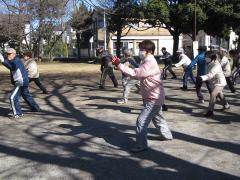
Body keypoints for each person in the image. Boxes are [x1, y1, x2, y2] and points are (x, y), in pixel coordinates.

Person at [112, 40, 173, 153]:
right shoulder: (146, 60)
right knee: (158, 118)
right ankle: (167, 135)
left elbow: (136, 73)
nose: (139, 51)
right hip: (152, 96)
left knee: (141, 121)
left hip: (153, 98)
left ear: (148, 51)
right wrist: (121, 66)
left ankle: (141, 145)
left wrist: (119, 64)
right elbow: (139, 75)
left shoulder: (149, 62)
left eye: (141, 49)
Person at [0, 48, 40, 119]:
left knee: (12, 97)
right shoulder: (13, 60)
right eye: (7, 54)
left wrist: (3, 61)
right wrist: (3, 59)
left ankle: (18, 114)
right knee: (26, 95)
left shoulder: (16, 60)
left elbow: (12, 66)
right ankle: (35, 108)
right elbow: (9, 63)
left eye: (9, 54)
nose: (8, 55)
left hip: (21, 82)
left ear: (14, 54)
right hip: (23, 81)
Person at [197, 51, 230, 117]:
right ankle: (226, 105)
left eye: (207, 57)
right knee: (220, 94)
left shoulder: (216, 65)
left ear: (212, 58)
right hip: (214, 82)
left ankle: (210, 111)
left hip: (220, 82)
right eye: (205, 57)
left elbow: (211, 74)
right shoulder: (208, 63)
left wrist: (202, 78)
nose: (206, 58)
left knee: (213, 94)